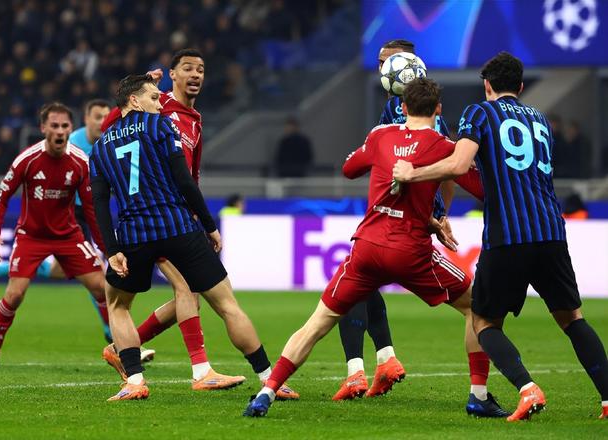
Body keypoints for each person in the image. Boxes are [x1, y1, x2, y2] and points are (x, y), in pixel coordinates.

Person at [244, 78, 506, 418]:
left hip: (367, 247)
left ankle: (266, 392)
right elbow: (483, 188)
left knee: (317, 323)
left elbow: (349, 169)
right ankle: (479, 396)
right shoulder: (445, 147)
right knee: (477, 307)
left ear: (403, 107)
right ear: (439, 110)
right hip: (410, 252)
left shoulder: (381, 135)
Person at [392, 52, 608, 421]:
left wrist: (412, 173)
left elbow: (459, 165)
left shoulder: (479, 113)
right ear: (520, 87)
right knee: (572, 318)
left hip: (508, 234)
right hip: (551, 232)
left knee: (483, 321)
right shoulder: (540, 119)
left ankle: (527, 388)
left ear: (487, 85)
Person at [99, 50, 298, 398]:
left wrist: (112, 247)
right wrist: (208, 224)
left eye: (201, 69)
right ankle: (241, 375)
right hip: (174, 220)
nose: (195, 74)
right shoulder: (162, 116)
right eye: (188, 68)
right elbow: (183, 179)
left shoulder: (186, 122)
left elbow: (103, 199)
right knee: (211, 298)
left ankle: (133, 371)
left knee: (129, 302)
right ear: (171, 76)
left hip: (137, 230)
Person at [333, 40, 487, 417]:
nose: (383, 69)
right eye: (381, 62)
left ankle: (358, 371)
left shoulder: (414, 112)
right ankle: (384, 360)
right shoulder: (397, 107)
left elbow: (449, 168)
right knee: (363, 284)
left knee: (357, 284)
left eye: (389, 62)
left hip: (407, 218)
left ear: (409, 68)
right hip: (398, 212)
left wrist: (440, 214)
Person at [0, 99, 123, 350]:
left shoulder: (107, 142)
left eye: (106, 117)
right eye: (97, 117)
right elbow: (4, 193)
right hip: (62, 216)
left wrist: (107, 245)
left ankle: (117, 340)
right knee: (85, 276)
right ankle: (114, 335)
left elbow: (97, 197)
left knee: (92, 279)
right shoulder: (71, 145)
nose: (102, 122)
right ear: (85, 120)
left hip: (74, 219)